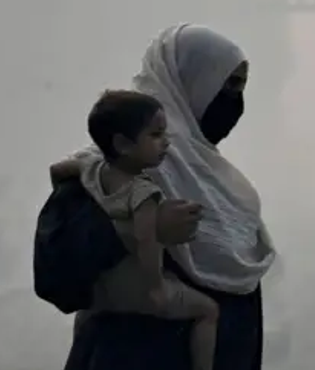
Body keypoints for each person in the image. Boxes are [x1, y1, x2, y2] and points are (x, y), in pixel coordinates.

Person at [55, 23, 276, 370]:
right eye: (227, 84)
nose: (235, 101)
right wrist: (144, 230)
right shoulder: (112, 166)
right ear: (190, 81)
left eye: (241, 87)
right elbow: (58, 263)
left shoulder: (214, 178)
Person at [79, 89, 220, 370]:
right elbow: (148, 240)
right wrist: (155, 288)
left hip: (103, 290)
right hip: (138, 293)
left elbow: (60, 169)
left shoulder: (94, 171)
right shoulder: (144, 192)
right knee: (208, 311)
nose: (166, 143)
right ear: (123, 144)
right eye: (156, 135)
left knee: (85, 318)